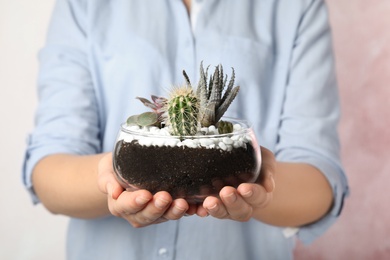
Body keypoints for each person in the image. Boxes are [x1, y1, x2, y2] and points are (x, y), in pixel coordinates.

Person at [23, 0, 349, 259]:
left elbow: (321, 181)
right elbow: (49, 165)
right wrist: (113, 177)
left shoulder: (297, 5)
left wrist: (260, 185)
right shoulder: (84, 4)